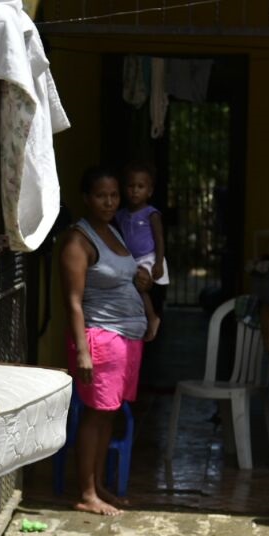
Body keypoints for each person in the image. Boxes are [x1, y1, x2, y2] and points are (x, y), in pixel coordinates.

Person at [61, 166, 154, 516]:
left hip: (126, 339)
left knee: (109, 415)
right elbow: (72, 301)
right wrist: (82, 352)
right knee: (95, 415)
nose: (109, 201)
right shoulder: (78, 240)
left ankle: (98, 485)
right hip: (100, 337)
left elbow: (127, 280)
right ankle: (86, 493)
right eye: (101, 195)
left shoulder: (113, 231)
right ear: (86, 198)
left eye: (114, 195)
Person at [114, 163, 167, 340]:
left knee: (141, 287)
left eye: (140, 187)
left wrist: (158, 262)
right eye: (131, 186)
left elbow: (159, 239)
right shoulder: (120, 214)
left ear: (149, 191)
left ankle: (152, 318)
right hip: (131, 260)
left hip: (148, 258)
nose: (135, 191)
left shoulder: (151, 213)